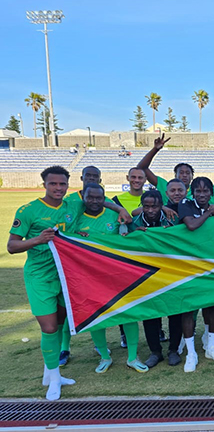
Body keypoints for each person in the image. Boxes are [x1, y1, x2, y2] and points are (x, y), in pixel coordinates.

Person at [7, 166, 128, 400]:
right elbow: (12, 246)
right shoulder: (29, 210)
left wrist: (119, 208)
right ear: (44, 184)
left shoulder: (73, 204)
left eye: (62, 184)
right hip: (40, 276)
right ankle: (54, 379)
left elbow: (98, 202)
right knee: (49, 328)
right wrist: (38, 240)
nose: (58, 188)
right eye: (53, 184)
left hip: (68, 274)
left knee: (60, 322)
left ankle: (49, 372)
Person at [76, 183, 149, 374]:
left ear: (104, 198)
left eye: (98, 198)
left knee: (128, 314)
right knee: (96, 316)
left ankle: (132, 357)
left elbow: (131, 234)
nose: (94, 201)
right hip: (89, 277)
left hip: (116, 275)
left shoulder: (116, 216)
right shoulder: (75, 218)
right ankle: (104, 357)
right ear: (83, 196)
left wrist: (137, 233)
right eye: (90, 197)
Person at [127, 189, 183, 368]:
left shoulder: (172, 220)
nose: (150, 210)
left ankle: (173, 350)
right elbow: (124, 244)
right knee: (150, 314)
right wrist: (134, 235)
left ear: (162, 206)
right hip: (145, 276)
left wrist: (170, 233)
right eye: (147, 206)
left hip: (170, 273)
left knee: (175, 311)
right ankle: (155, 352)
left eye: (155, 206)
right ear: (142, 206)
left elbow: (183, 241)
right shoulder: (133, 223)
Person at [177, 177, 214, 371]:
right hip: (189, 266)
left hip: (209, 265)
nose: (202, 194)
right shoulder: (185, 204)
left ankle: (211, 346)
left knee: (212, 307)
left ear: (211, 193)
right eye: (198, 191)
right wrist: (209, 213)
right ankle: (191, 353)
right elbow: (191, 225)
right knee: (189, 309)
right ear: (192, 192)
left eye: (206, 191)